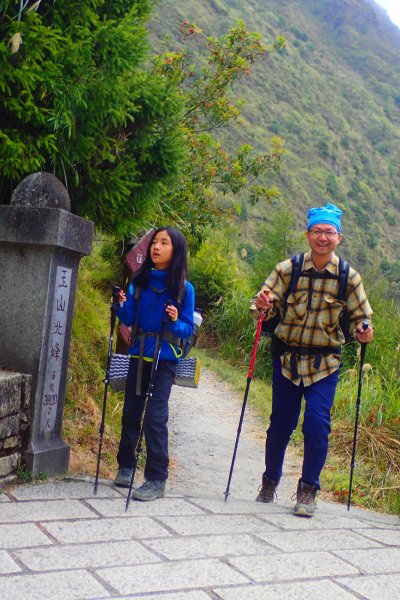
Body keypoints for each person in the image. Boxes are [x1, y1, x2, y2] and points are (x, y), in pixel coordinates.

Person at [250, 203, 374, 517]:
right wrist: (262, 305)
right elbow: (259, 307)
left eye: (328, 232)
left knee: (317, 425)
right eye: (317, 231)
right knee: (280, 425)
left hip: (325, 364)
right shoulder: (287, 269)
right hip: (287, 359)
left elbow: (363, 318)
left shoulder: (348, 277)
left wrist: (364, 331)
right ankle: (270, 482)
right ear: (307, 234)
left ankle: (308, 491)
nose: (322, 237)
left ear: (339, 238)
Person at [114, 226, 194, 501]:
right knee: (131, 412)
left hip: (166, 358)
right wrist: (120, 304)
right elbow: (128, 318)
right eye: (154, 242)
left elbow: (186, 330)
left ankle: (156, 478)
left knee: (156, 416)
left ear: (177, 251)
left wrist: (174, 320)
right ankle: (126, 465)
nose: (156, 247)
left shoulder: (184, 289)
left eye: (164, 243)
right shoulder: (140, 281)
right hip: (139, 352)